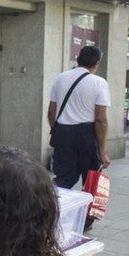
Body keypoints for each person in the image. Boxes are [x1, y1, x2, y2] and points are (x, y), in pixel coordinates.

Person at [47, 45, 110, 231]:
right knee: (91, 179)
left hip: (63, 133)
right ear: (97, 63)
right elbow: (100, 119)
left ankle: (49, 212)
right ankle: (84, 222)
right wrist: (103, 150)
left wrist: (58, 131)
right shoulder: (99, 83)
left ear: (78, 58)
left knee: (63, 178)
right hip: (87, 135)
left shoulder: (61, 78)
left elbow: (51, 112)